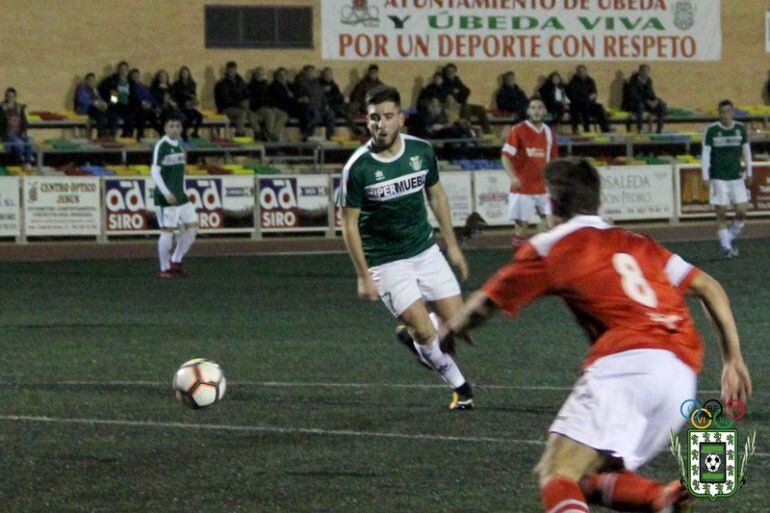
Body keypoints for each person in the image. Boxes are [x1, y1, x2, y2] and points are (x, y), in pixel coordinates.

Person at [441, 157, 751, 513]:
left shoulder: (551, 245)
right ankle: (660, 498)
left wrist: (453, 328)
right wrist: (733, 359)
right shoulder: (639, 242)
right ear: (598, 202)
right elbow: (710, 288)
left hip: (627, 366)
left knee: (556, 472)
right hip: (681, 377)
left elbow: (484, 304)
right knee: (593, 475)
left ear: (552, 204)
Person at [340, 85, 474, 410]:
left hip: (425, 251)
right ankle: (461, 387)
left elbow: (437, 196)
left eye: (387, 117)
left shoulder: (422, 151)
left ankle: (415, 335)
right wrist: (363, 275)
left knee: (458, 326)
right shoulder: (357, 168)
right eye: (374, 118)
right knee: (429, 334)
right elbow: (349, 224)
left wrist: (452, 246)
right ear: (366, 122)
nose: (381, 124)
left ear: (400, 119)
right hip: (386, 262)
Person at [501, 97, 559, 246]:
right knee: (521, 228)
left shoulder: (548, 132)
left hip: (543, 187)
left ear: (545, 111)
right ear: (528, 111)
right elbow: (505, 157)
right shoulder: (518, 130)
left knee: (553, 225)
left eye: (540, 107)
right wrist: (512, 177)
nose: (536, 111)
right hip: (522, 188)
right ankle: (518, 263)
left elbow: (553, 160)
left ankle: (549, 263)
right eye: (533, 107)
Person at [702, 99, 753, 259]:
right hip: (718, 178)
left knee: (742, 211)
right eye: (722, 112)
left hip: (736, 177)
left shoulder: (740, 129)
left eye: (728, 112)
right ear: (719, 113)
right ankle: (725, 247)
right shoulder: (711, 131)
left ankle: (729, 238)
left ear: (733, 112)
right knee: (722, 213)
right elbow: (705, 155)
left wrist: (750, 171)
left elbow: (746, 151)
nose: (725, 115)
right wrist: (705, 176)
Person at [151, 112, 198, 279]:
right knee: (167, 231)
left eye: (178, 126)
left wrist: (183, 191)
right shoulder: (161, 145)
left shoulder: (180, 144)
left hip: (181, 196)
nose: (175, 129)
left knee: (192, 228)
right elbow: (154, 171)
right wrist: (166, 192)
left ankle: (176, 261)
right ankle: (164, 268)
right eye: (171, 126)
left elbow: (181, 172)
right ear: (165, 128)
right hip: (166, 197)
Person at [440, 63, 491, 134]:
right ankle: (468, 131)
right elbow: (446, 94)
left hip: (460, 104)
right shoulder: (443, 82)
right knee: (466, 106)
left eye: (453, 71)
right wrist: (457, 92)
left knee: (481, 108)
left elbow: (467, 91)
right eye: (449, 71)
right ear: (445, 72)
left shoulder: (457, 81)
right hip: (453, 107)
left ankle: (488, 134)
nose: (451, 73)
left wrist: (458, 93)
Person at [293, 65, 336, 140]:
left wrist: (325, 104)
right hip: (308, 108)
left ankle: (330, 137)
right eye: (311, 72)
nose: (313, 74)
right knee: (315, 116)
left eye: (314, 72)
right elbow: (307, 94)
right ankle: (307, 136)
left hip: (319, 107)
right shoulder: (300, 81)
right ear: (305, 72)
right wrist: (322, 89)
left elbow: (322, 95)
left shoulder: (316, 82)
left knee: (330, 114)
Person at [320, 67, 363, 137]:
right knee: (344, 112)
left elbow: (339, 97)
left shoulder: (333, 85)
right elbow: (321, 98)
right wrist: (322, 90)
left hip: (338, 105)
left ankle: (358, 132)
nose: (329, 76)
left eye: (330, 74)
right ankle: (357, 132)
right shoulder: (319, 85)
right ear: (323, 75)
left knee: (352, 108)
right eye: (327, 74)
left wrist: (340, 98)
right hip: (330, 107)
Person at [566, 65, 610, 133]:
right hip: (578, 106)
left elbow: (594, 94)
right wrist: (587, 98)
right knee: (584, 110)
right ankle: (587, 132)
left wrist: (589, 98)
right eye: (580, 72)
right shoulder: (573, 83)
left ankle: (606, 131)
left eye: (583, 71)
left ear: (586, 72)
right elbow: (574, 98)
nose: (582, 73)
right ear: (577, 73)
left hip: (590, 104)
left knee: (600, 109)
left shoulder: (591, 81)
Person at [248, 67, 288, 141]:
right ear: (254, 75)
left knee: (283, 115)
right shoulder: (251, 86)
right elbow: (252, 101)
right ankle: (269, 133)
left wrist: (273, 105)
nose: (260, 76)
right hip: (260, 108)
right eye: (258, 74)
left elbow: (270, 97)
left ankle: (274, 134)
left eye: (261, 74)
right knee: (270, 114)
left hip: (270, 106)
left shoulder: (266, 85)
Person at [624, 64, 667, 133]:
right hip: (633, 103)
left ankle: (660, 129)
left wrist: (656, 100)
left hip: (645, 103)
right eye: (644, 71)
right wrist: (647, 101)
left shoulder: (648, 80)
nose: (645, 73)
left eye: (647, 71)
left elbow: (651, 94)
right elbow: (634, 96)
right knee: (640, 105)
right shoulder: (633, 80)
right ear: (640, 71)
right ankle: (640, 128)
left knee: (662, 105)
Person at [75, 73, 117, 138]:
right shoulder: (82, 88)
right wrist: (95, 103)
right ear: (86, 81)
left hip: (96, 109)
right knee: (100, 115)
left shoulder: (95, 90)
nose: (92, 82)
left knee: (112, 115)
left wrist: (105, 103)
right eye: (90, 80)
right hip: (86, 109)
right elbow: (82, 100)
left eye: (94, 80)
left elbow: (100, 99)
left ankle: (111, 135)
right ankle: (101, 135)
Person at [0, 88, 35, 169]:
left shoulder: (19, 108)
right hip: (8, 133)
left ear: (15, 97)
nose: (10, 98)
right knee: (18, 143)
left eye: (12, 96)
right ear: (5, 97)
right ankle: (22, 159)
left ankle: (27, 160)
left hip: (19, 133)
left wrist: (23, 131)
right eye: (8, 96)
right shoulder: (2, 108)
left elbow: (24, 122)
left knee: (29, 141)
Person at [214, 61, 249, 136]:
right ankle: (240, 134)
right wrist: (239, 103)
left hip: (240, 107)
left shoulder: (240, 81)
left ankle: (259, 135)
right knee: (241, 113)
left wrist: (246, 101)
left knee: (251, 114)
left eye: (233, 69)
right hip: (225, 108)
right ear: (226, 70)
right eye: (230, 70)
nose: (232, 71)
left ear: (236, 69)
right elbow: (225, 100)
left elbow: (246, 93)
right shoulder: (222, 83)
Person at [98, 61, 132, 136]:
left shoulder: (130, 82)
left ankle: (126, 136)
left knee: (133, 115)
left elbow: (133, 95)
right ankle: (111, 136)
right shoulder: (112, 80)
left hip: (127, 105)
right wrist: (112, 98)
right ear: (118, 70)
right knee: (113, 116)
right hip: (116, 104)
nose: (123, 71)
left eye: (125, 69)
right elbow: (105, 91)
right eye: (121, 69)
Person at [171, 66, 203, 140]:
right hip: (182, 106)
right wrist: (184, 102)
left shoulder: (192, 84)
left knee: (200, 116)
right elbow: (175, 97)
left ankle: (195, 132)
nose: (184, 74)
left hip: (190, 106)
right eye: (183, 73)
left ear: (188, 74)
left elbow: (194, 95)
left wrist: (194, 101)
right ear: (181, 74)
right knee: (188, 117)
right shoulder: (176, 84)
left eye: (186, 73)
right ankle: (184, 133)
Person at [128, 69, 161, 141]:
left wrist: (152, 105)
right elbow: (133, 99)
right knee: (143, 114)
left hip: (148, 108)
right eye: (134, 76)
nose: (136, 77)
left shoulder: (144, 87)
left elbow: (152, 98)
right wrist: (142, 103)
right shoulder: (130, 87)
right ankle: (140, 135)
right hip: (136, 108)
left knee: (154, 117)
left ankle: (163, 134)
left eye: (137, 76)